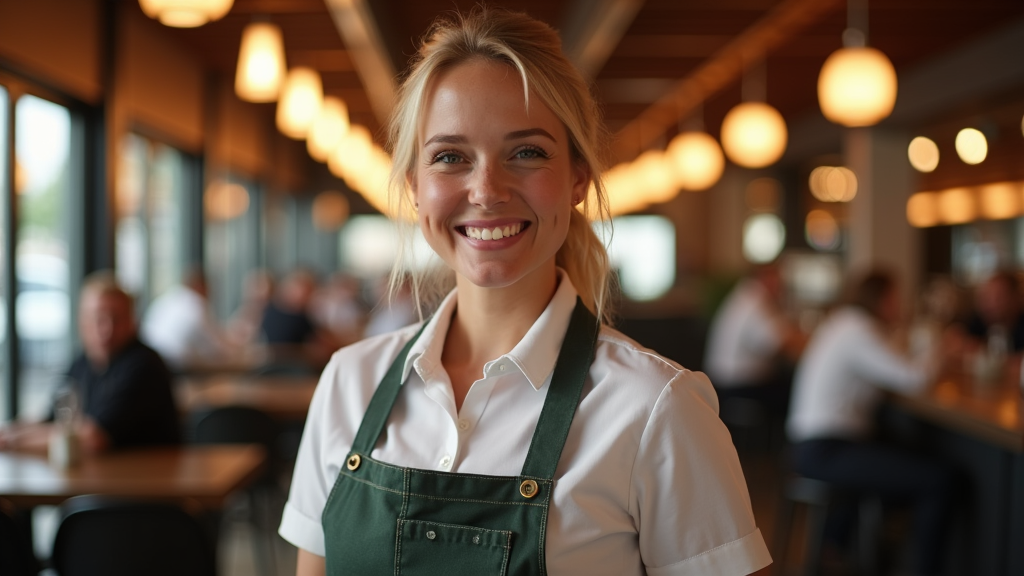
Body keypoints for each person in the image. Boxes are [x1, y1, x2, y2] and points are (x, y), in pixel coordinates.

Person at [279, 9, 771, 576]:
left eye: (527, 152)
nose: (486, 191)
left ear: (579, 177)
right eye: (450, 157)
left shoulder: (656, 408)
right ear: (415, 187)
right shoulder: (348, 382)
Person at [787, 270, 956, 575]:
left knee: (907, 452)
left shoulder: (845, 323)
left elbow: (894, 365)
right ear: (882, 299)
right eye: (896, 298)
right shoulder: (858, 330)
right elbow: (913, 378)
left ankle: (844, 548)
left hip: (815, 443)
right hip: (826, 449)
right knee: (937, 479)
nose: (900, 305)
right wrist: (944, 347)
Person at [0, 272, 180, 453]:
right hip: (103, 477)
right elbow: (53, 419)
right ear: (82, 321)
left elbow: (93, 438)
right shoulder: (83, 363)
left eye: (116, 319)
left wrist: (12, 442)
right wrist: (9, 431)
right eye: (98, 318)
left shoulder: (144, 366)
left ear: (133, 322)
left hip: (147, 478)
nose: (107, 329)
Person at [704, 264, 804, 418]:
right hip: (738, 387)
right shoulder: (756, 299)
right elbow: (780, 344)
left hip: (722, 384)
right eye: (779, 280)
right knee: (796, 392)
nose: (782, 287)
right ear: (767, 277)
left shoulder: (743, 295)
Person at [140, 267, 232, 370]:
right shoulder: (196, 305)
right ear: (200, 286)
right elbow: (217, 348)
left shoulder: (169, 298)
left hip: (152, 362)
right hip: (177, 368)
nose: (211, 293)